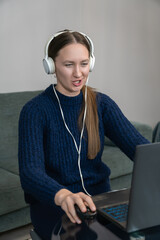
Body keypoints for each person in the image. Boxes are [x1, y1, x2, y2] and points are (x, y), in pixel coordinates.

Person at [18, 30, 149, 240]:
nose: (78, 73)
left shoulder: (101, 104)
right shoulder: (35, 111)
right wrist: (62, 195)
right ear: (51, 66)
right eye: (69, 64)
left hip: (100, 201)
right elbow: (30, 173)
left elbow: (141, 150)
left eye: (84, 63)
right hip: (55, 206)